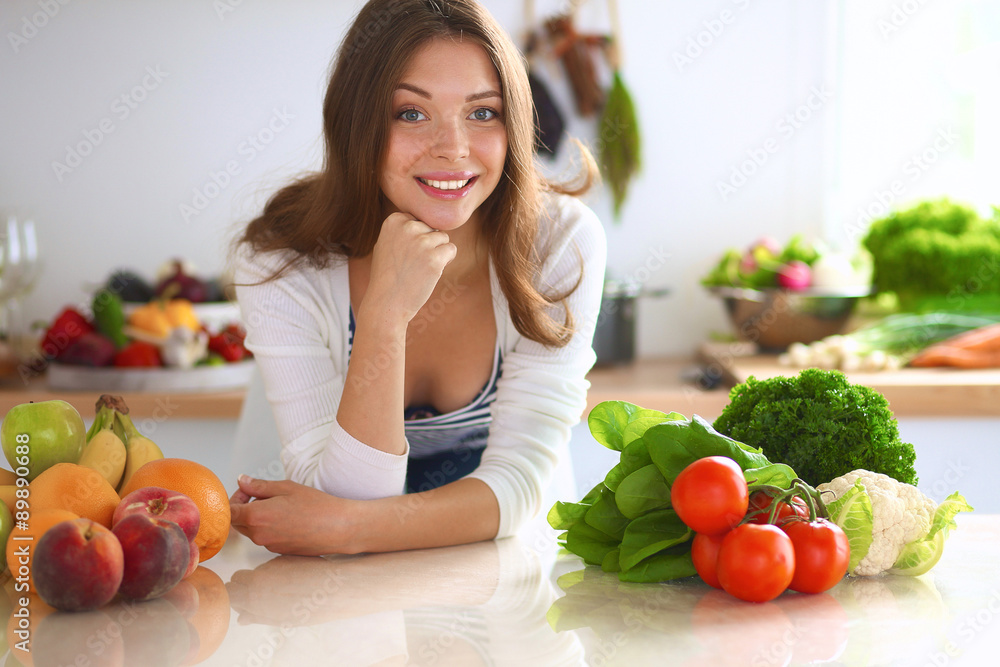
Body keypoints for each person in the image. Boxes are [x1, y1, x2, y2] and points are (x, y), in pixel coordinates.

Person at [228, 0, 607, 555]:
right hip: (317, 590)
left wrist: (352, 528)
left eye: (483, 113)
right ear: (358, 123)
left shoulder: (558, 242)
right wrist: (383, 316)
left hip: (501, 574)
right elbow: (339, 496)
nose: (452, 149)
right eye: (410, 112)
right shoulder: (284, 263)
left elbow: (520, 486)